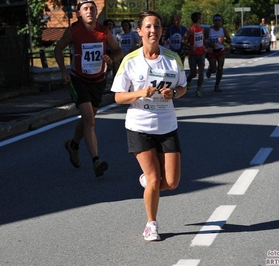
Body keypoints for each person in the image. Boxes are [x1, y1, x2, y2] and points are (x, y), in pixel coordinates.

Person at [110, 10, 187, 241]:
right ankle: (151, 224)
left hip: (167, 125)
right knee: (154, 179)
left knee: (172, 183)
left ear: (161, 31)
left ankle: (148, 185)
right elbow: (117, 97)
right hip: (139, 126)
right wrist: (139, 93)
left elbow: (182, 87)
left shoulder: (173, 58)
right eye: (148, 27)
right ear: (140, 31)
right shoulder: (130, 60)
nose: (153, 30)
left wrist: (173, 92)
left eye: (157, 27)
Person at [54, 0, 123, 177]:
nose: (89, 11)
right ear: (79, 13)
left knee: (88, 118)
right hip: (78, 80)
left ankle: (73, 145)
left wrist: (111, 59)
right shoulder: (74, 31)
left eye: (92, 8)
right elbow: (58, 48)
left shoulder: (103, 31)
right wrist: (63, 71)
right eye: (85, 9)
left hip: (98, 81)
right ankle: (96, 161)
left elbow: (118, 51)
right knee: (90, 121)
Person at [182, 12, 206, 97]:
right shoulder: (191, 30)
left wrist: (206, 47)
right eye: (201, 18)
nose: (202, 19)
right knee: (193, 73)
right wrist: (190, 46)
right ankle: (188, 81)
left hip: (201, 53)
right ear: (198, 19)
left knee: (201, 72)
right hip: (192, 54)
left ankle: (198, 90)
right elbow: (183, 40)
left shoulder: (202, 29)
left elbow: (203, 40)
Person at [205, 14, 231, 92]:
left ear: (221, 21)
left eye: (219, 20)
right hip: (212, 51)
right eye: (216, 20)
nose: (217, 22)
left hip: (221, 50)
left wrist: (224, 40)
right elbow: (204, 41)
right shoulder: (209, 30)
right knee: (214, 69)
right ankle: (210, 70)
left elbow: (229, 40)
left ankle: (217, 85)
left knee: (220, 68)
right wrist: (210, 45)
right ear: (213, 21)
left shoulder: (223, 30)